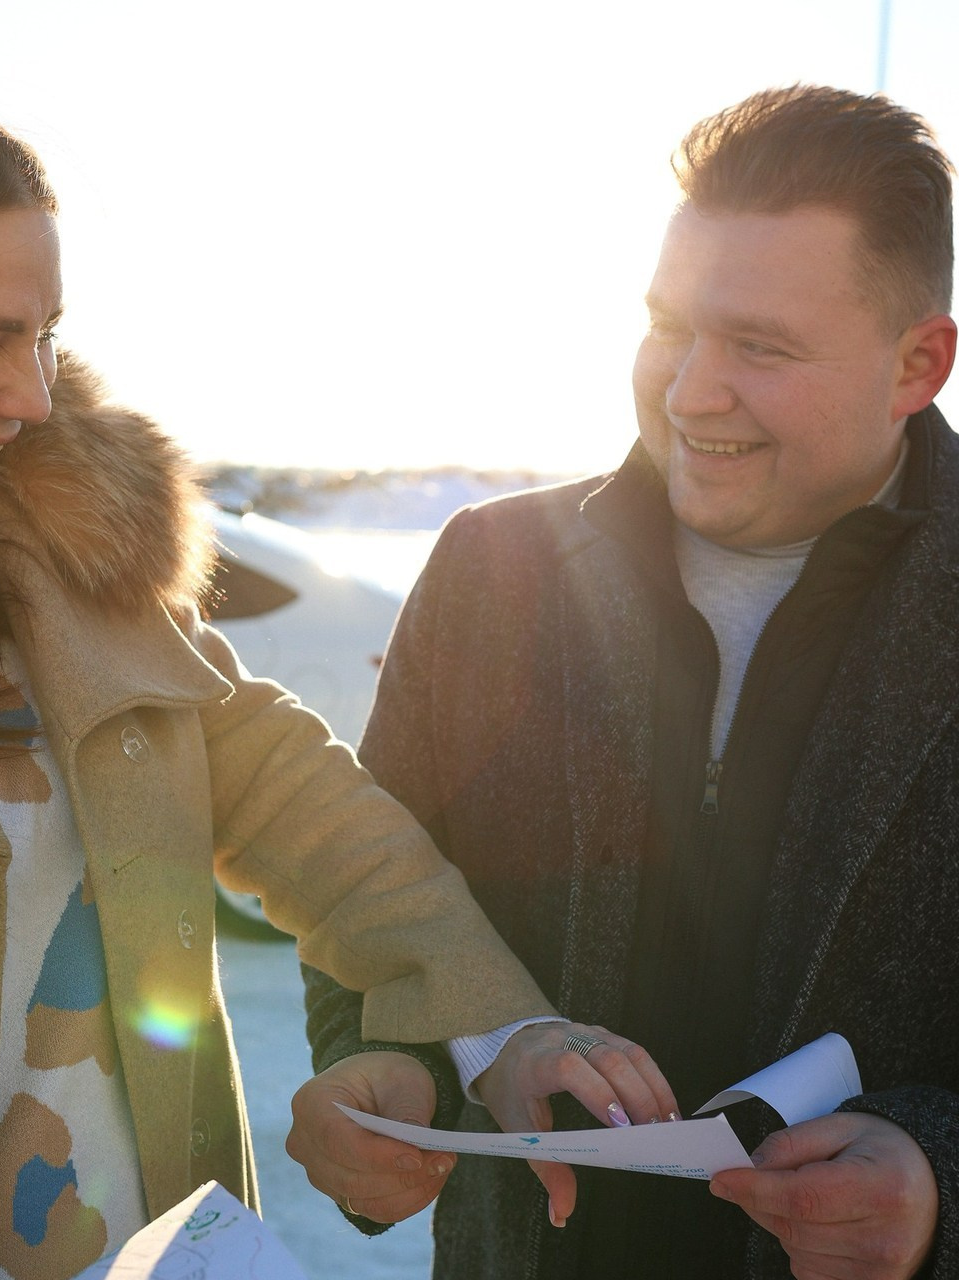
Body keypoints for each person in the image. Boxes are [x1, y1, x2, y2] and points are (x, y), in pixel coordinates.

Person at [0, 74, 676, 1279]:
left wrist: (499, 1025)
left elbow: (292, 791)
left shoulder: (53, 563)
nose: (31, 397)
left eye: (44, 340)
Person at [288, 83, 959, 1279]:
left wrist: (937, 1187)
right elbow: (374, 909)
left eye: (758, 345)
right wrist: (383, 1066)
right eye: (667, 325)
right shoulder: (492, 566)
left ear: (917, 362)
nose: (688, 389)